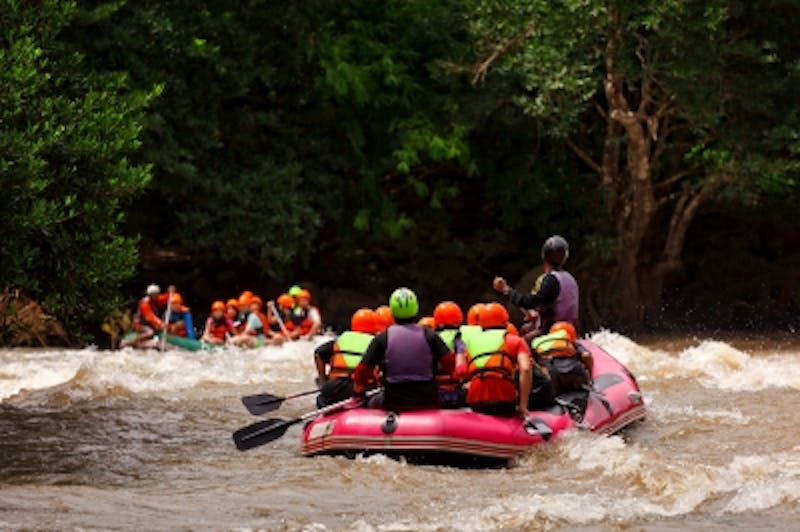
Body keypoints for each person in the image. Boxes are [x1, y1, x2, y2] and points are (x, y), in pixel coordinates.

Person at [353, 288, 451, 411]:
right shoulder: (430, 336)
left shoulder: (382, 338)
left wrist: (358, 393)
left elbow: (362, 372)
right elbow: (450, 365)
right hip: (427, 399)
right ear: (416, 309)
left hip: (393, 401)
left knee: (372, 402)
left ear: (392, 312)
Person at [493, 235, 579, 339]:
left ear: (544, 256)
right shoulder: (571, 279)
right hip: (570, 330)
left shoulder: (550, 280)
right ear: (565, 257)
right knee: (525, 328)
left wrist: (506, 290)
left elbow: (529, 302)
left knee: (520, 342)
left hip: (551, 332)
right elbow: (556, 305)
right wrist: (537, 316)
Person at [456, 302, 532, 417]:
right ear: (505, 321)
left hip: (475, 398)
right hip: (504, 398)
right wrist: (523, 406)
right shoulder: (515, 340)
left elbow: (460, 371)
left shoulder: (468, 342)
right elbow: (526, 369)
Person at [313, 308, 379, 407]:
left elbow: (318, 354)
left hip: (335, 387)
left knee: (321, 398)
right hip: (363, 389)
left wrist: (323, 380)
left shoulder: (341, 339)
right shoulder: (377, 342)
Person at [531, 321, 593, 396]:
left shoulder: (545, 348)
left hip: (555, 376)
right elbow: (586, 355)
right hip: (576, 373)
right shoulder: (573, 344)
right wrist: (591, 373)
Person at [433, 301, 465, 407]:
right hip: (454, 390)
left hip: (434, 391)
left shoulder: (430, 336)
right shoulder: (458, 337)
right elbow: (461, 369)